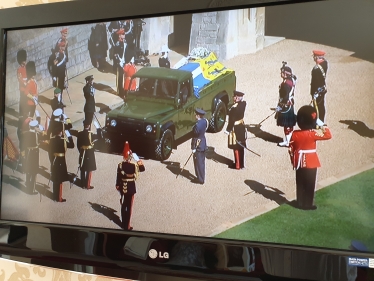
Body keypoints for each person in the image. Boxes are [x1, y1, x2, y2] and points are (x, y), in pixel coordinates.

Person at [288, 105, 332, 210]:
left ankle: (299, 202)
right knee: (310, 184)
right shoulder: (312, 134)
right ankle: (308, 204)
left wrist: (293, 159)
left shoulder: (295, 134)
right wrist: (321, 124)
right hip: (311, 161)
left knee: (300, 182)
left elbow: (291, 148)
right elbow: (328, 135)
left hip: (298, 160)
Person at [115, 141, 145, 231]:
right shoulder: (133, 165)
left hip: (123, 187)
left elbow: (118, 176)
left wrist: (117, 185)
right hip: (131, 187)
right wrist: (137, 159)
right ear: (130, 156)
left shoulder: (120, 165)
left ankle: (123, 223)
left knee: (124, 205)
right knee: (129, 206)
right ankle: (127, 226)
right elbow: (142, 169)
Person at [48, 121, 75, 202]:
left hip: (54, 161)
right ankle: (59, 198)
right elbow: (72, 145)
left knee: (55, 178)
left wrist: (52, 160)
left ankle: (54, 195)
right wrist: (69, 136)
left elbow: (50, 152)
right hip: (61, 161)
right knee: (60, 180)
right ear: (60, 132)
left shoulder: (52, 140)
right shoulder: (63, 140)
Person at [224, 90, 247, 170]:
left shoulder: (234, 109)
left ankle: (237, 165)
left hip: (236, 128)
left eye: (234, 96)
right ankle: (242, 164)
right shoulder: (243, 104)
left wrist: (228, 130)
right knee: (242, 145)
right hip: (241, 126)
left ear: (236, 98)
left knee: (236, 146)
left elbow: (231, 121)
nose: (233, 97)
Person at [77, 120, 102, 189]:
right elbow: (99, 137)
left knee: (82, 168)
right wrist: (98, 129)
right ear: (89, 126)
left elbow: (78, 145)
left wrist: (81, 151)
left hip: (82, 152)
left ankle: (82, 183)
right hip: (89, 153)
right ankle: (87, 185)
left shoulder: (80, 134)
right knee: (89, 169)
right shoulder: (90, 134)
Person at [276, 63, 297, 147]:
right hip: (290, 104)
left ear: (285, 74)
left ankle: (288, 141)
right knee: (289, 123)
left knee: (287, 124)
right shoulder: (291, 80)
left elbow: (285, 96)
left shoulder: (286, 84)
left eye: (282, 72)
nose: (280, 74)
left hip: (286, 105)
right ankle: (289, 139)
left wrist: (280, 106)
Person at [21, 120, 43, 194]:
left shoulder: (25, 133)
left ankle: (27, 184)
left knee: (28, 170)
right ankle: (31, 190)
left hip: (27, 152)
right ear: (35, 127)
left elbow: (22, 143)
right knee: (34, 171)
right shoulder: (37, 134)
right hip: (34, 153)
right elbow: (45, 137)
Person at [191, 108, 208, 184]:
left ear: (198, 115)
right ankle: (201, 177)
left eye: (196, 114)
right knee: (202, 162)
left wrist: (193, 147)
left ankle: (200, 179)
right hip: (203, 143)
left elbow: (195, 137)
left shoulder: (197, 125)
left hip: (198, 145)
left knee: (198, 163)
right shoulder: (204, 121)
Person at [310, 50, 328, 122]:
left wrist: (315, 92)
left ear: (317, 57)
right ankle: (321, 120)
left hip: (317, 91)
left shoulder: (316, 69)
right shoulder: (325, 63)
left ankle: (319, 122)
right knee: (321, 106)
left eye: (314, 57)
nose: (313, 58)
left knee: (317, 107)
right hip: (322, 88)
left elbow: (315, 82)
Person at [113, 29, 126, 97]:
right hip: (119, 63)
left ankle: (122, 89)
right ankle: (119, 91)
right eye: (122, 36)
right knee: (119, 77)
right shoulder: (117, 44)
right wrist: (118, 61)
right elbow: (115, 55)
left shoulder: (123, 43)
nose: (123, 38)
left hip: (123, 62)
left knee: (123, 77)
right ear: (119, 36)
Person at [16, 49, 27, 117]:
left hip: (27, 86)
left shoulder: (26, 67)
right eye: (23, 62)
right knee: (22, 100)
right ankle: (21, 114)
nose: (25, 62)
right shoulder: (19, 69)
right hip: (22, 87)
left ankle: (25, 113)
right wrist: (24, 83)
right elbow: (19, 78)